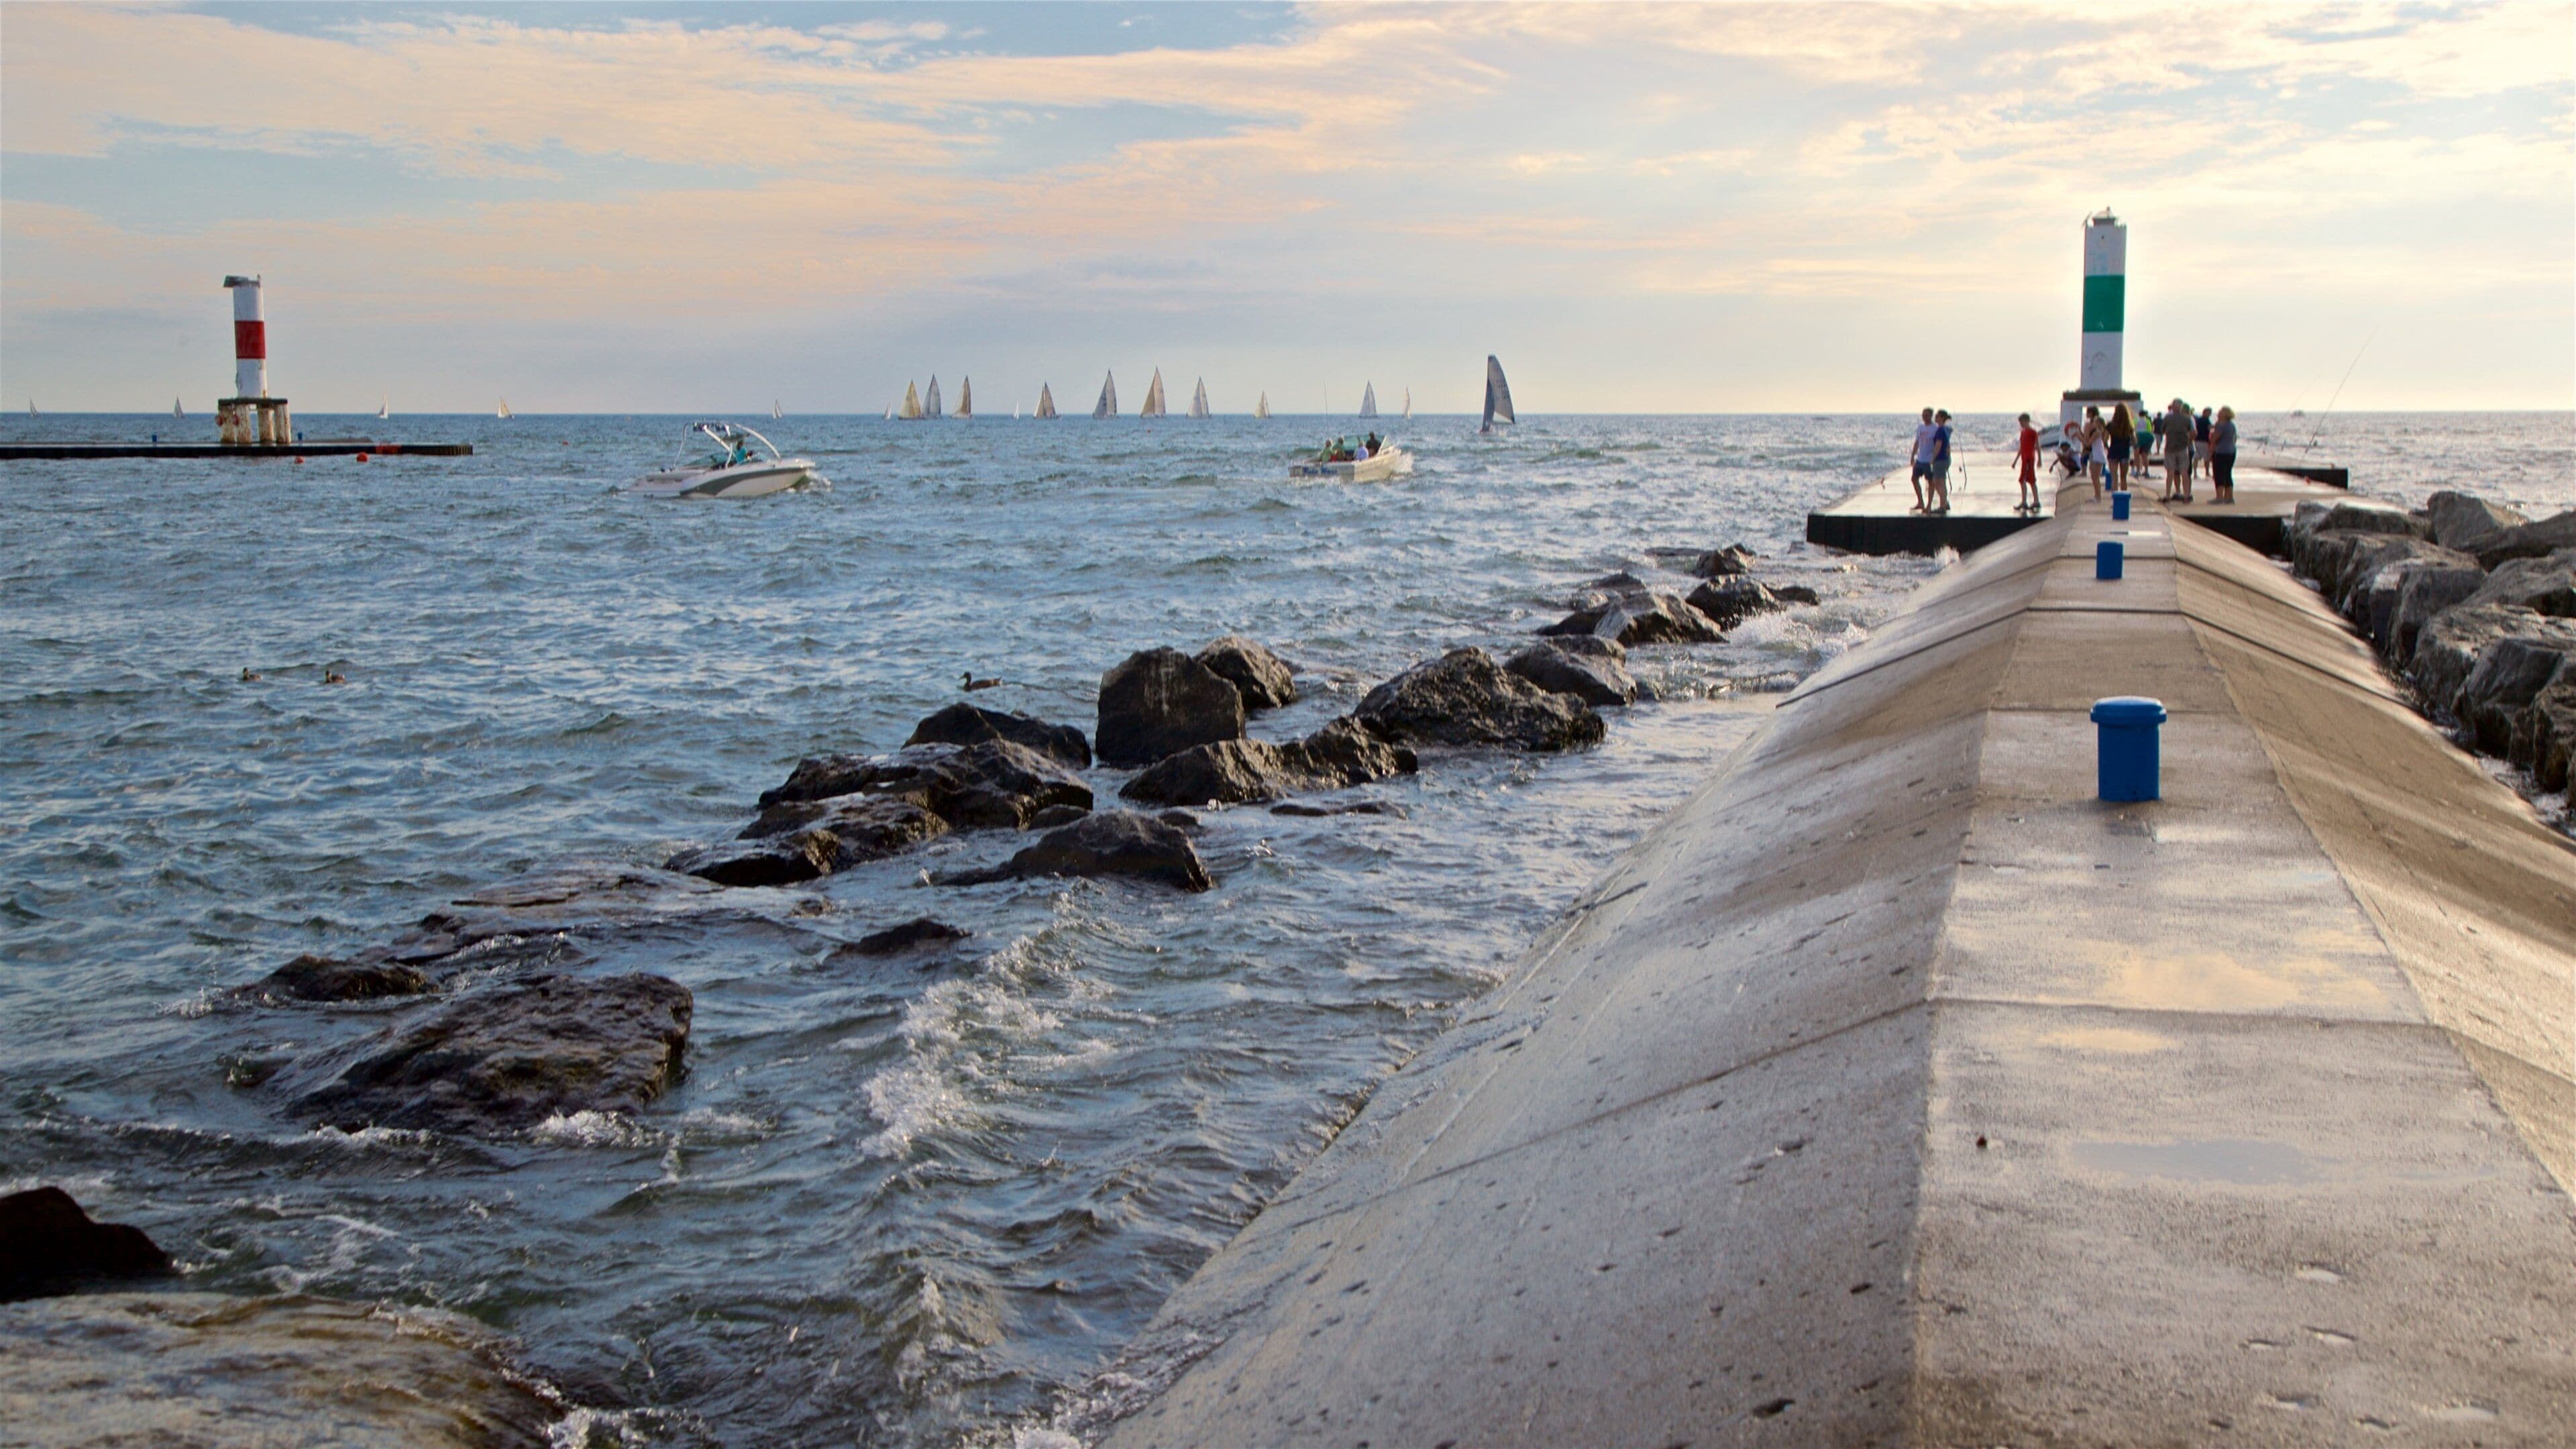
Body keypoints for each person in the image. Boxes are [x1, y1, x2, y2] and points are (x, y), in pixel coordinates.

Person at [2159, 400, 2194, 502]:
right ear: (2181, 407)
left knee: (2170, 471)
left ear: (2173, 407)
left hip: (2170, 447)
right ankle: (2186, 495)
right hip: (2183, 447)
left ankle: (2168, 495)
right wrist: (2188, 440)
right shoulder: (2187, 419)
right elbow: (2191, 431)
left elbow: (2163, 430)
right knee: (2184, 472)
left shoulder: (2167, 418)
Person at [1908, 407, 1937, 512]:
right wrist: (1912, 457)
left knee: (1930, 482)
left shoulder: (1935, 428)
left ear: (1931, 416)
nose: (1924, 417)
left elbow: (1939, 444)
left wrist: (1935, 458)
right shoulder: (1920, 428)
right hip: (1920, 459)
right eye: (1923, 415)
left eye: (1927, 415)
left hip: (1929, 460)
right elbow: (1917, 443)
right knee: (1914, 479)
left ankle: (1929, 505)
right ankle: (1920, 502)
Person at [2209, 406, 2238, 503]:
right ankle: (2229, 497)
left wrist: (2211, 451)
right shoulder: (2232, 425)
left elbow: (2214, 440)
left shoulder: (2221, 425)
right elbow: (2235, 439)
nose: (2218, 413)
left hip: (2222, 452)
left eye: (2220, 412)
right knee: (2228, 474)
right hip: (2232, 451)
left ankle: (2219, 497)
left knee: (2219, 474)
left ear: (2224, 415)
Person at [1928, 409, 1955, 513]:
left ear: (1942, 418)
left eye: (1937, 416)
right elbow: (1948, 446)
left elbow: (1938, 446)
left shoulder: (1940, 430)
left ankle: (1942, 507)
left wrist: (1932, 459)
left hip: (1940, 460)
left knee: (1939, 483)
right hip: (1945, 459)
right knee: (1938, 482)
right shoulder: (1945, 429)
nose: (1935, 417)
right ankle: (1945, 503)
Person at [2014, 412, 2041, 513]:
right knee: (2024, 480)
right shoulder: (2023, 432)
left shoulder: (2032, 432)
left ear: (2026, 421)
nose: (2021, 424)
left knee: (2029, 480)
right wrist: (2016, 461)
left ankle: (2033, 501)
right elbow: (2021, 447)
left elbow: (2037, 446)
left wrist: (2040, 460)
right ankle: (2027, 501)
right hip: (2024, 458)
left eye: (2022, 422)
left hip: (2030, 458)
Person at [2106, 403, 2135, 492]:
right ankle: (2123, 498)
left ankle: (2115, 500)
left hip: (2113, 452)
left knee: (2114, 478)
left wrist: (2108, 449)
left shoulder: (2110, 425)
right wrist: (2127, 445)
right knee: (2123, 478)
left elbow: (2104, 440)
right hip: (2125, 453)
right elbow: (2135, 442)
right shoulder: (2129, 427)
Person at [2083, 406, 2108, 500]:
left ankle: (2098, 496)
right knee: (2094, 476)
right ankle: (2097, 496)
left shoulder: (2097, 432)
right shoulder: (2099, 431)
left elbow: (2088, 443)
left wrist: (2079, 436)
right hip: (2096, 453)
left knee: (2095, 477)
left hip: (2098, 455)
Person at [2194, 407, 2213, 482]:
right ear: (2205, 412)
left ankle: (2195, 473)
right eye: (2210, 413)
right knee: (2207, 458)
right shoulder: (2206, 420)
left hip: (2197, 440)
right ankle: (2207, 472)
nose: (2210, 414)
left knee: (2196, 456)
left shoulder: (2198, 419)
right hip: (2204, 441)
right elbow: (2210, 427)